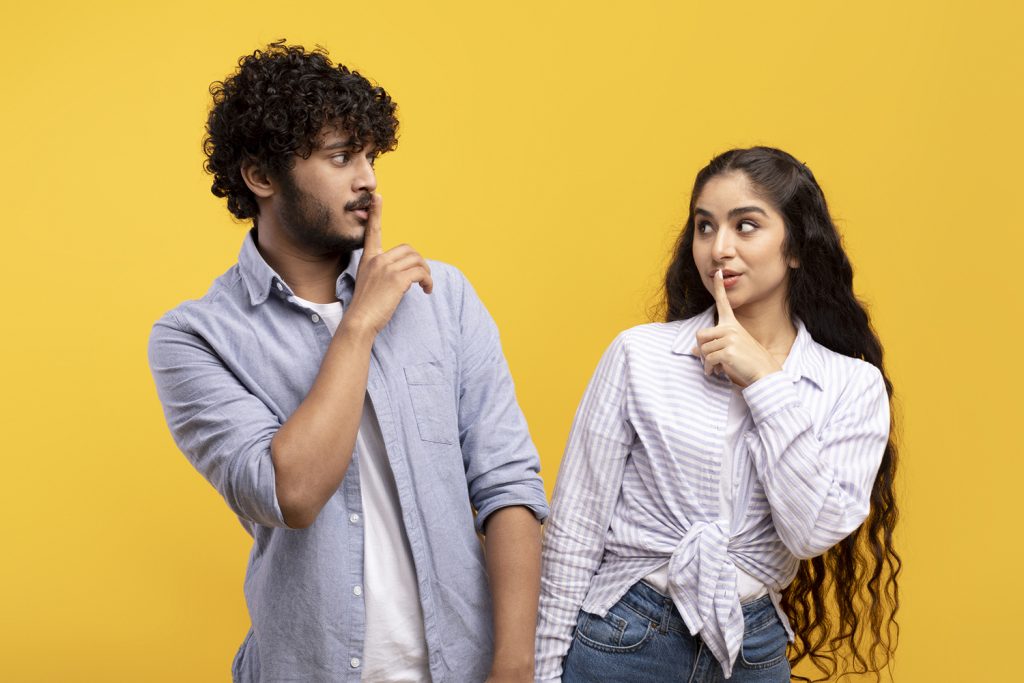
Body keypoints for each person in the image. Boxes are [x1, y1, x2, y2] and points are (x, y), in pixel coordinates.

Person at [148, 41, 548, 683]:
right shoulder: (195, 338)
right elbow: (292, 493)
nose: (368, 180)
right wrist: (359, 325)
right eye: (341, 158)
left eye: (370, 156)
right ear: (261, 176)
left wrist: (514, 666)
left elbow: (508, 487)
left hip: (466, 666)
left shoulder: (442, 297)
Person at [535, 147, 899, 682]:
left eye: (745, 225)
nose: (718, 249)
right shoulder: (641, 354)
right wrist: (542, 672)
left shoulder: (852, 385)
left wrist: (766, 385)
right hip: (626, 635)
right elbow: (576, 527)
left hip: (751, 649)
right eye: (705, 228)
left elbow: (809, 533)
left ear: (795, 247)